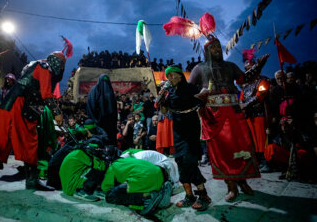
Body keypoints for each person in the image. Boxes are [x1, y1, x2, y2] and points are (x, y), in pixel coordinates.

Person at [0, 40, 72, 193]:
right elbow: (46, 94)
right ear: (59, 64)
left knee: (30, 142)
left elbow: (39, 94)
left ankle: (31, 181)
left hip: (26, 109)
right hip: (14, 106)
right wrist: (57, 113)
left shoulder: (37, 66)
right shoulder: (44, 68)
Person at [189, 35, 266, 202]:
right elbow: (189, 92)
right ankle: (231, 186)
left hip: (234, 113)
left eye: (218, 46)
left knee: (241, 147)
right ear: (207, 50)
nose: (217, 49)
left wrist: (258, 67)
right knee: (223, 153)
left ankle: (243, 182)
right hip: (213, 116)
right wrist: (199, 96)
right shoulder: (199, 68)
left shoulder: (230, 66)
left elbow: (244, 79)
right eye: (213, 47)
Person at [156, 65, 211, 211]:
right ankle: (189, 196)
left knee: (189, 160)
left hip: (191, 127)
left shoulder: (191, 88)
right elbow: (165, 110)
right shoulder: (169, 92)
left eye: (174, 75)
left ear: (181, 75)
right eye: (169, 76)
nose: (171, 78)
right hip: (178, 130)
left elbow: (203, 100)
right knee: (179, 160)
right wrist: (161, 99)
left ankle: (203, 195)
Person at [101, 156, 172, 216]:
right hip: (159, 173)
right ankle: (160, 190)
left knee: (110, 196)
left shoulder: (111, 168)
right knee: (132, 181)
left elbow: (106, 188)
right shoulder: (127, 158)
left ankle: (146, 196)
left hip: (145, 178)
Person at [239, 49, 270, 168]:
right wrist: (241, 104)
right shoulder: (245, 85)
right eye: (246, 68)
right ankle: (256, 161)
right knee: (252, 140)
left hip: (260, 113)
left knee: (261, 139)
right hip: (248, 115)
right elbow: (242, 97)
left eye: (250, 66)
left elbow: (260, 96)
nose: (248, 69)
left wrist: (245, 105)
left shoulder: (263, 80)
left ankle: (266, 161)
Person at [86, 74, 117, 145]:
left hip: (109, 124)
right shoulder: (94, 91)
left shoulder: (110, 92)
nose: (105, 85)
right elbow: (91, 107)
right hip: (97, 123)